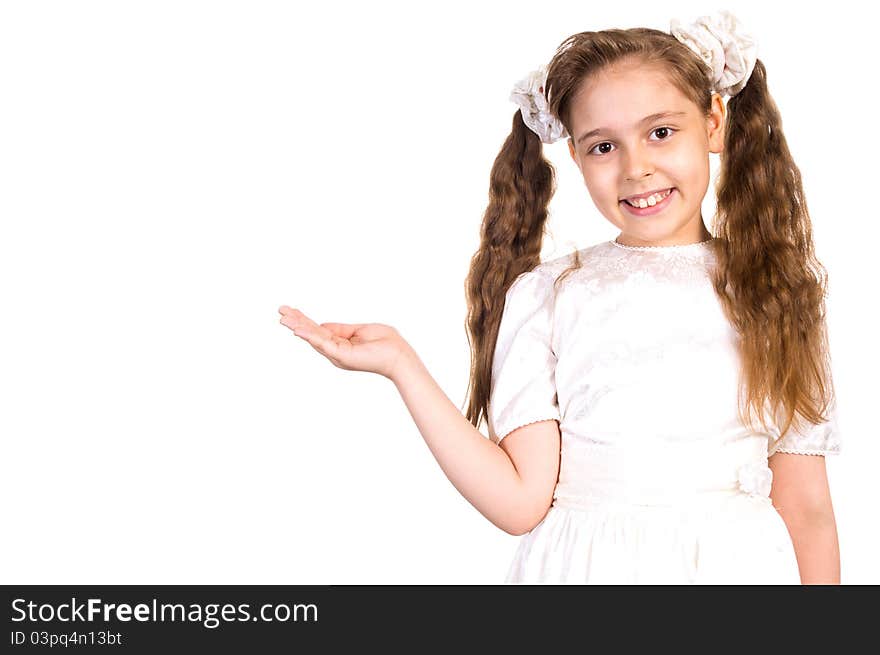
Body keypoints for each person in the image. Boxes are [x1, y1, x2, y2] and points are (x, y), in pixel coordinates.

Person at [277, 10, 841, 584]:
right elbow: (520, 503)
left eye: (661, 132)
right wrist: (402, 365)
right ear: (574, 155)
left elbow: (807, 509)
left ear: (714, 122)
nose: (636, 167)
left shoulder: (775, 292)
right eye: (603, 147)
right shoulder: (551, 294)